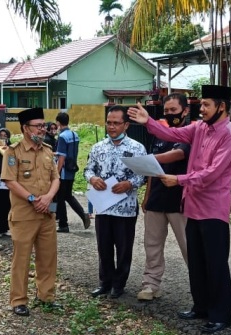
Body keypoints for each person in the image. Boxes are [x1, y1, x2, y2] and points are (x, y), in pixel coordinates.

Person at [127, 85, 231, 334]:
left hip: (213, 208)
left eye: (207, 105)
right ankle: (201, 307)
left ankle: (221, 314)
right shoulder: (200, 128)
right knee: (197, 261)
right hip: (192, 205)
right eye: (202, 104)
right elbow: (172, 134)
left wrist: (179, 180)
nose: (202, 109)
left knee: (216, 262)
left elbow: (212, 173)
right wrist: (148, 122)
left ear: (222, 107)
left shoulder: (230, 135)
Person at [1, 108, 61, 316]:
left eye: (43, 125)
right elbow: (10, 180)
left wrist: (48, 198)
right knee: (22, 258)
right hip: (24, 214)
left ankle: (46, 295)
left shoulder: (47, 150)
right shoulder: (13, 151)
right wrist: (33, 199)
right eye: (38, 126)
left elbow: (56, 178)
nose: (42, 129)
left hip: (46, 213)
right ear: (25, 129)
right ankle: (18, 300)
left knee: (48, 257)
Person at [84, 105, 146, 299]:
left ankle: (119, 284)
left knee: (124, 247)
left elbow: (144, 175)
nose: (111, 127)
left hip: (125, 208)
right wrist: (92, 179)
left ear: (126, 125)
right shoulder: (98, 147)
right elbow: (88, 170)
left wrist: (129, 183)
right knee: (104, 246)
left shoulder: (137, 148)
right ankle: (105, 282)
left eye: (116, 123)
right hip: (103, 206)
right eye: (109, 123)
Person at [137, 93, 191, 302]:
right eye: (166, 111)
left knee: (188, 246)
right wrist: (147, 196)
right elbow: (152, 169)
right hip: (156, 199)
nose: (169, 114)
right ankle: (150, 285)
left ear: (185, 111)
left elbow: (178, 155)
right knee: (152, 245)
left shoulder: (190, 134)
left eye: (173, 111)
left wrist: (144, 159)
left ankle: (200, 288)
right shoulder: (159, 135)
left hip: (180, 201)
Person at [54, 112, 90, 233]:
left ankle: (63, 224)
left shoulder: (62, 136)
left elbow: (62, 157)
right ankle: (83, 214)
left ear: (58, 122)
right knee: (67, 195)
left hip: (63, 171)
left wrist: (56, 173)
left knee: (60, 197)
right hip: (72, 169)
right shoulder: (75, 134)